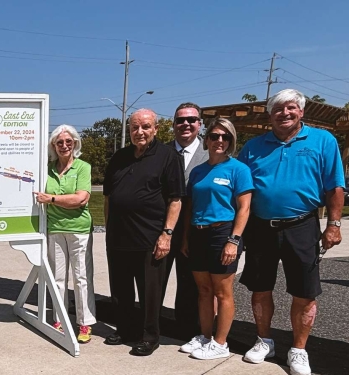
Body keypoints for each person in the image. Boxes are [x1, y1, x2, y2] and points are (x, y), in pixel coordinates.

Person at [237, 89, 344, 375]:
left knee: (305, 292)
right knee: (260, 288)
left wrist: (333, 225)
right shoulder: (253, 147)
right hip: (260, 227)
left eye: (291, 108)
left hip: (302, 226)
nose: (285, 113)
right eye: (278, 109)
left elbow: (335, 187)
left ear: (301, 111)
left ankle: (298, 349)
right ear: (270, 115)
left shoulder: (323, 141)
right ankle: (264, 340)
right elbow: (241, 190)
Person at [103, 109, 185, 356]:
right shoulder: (120, 157)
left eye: (145, 127)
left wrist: (166, 234)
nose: (140, 132)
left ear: (156, 129)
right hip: (119, 237)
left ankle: (149, 336)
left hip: (150, 238)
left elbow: (175, 199)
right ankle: (126, 329)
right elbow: (108, 196)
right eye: (134, 127)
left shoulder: (168, 156)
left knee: (150, 292)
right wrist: (108, 228)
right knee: (121, 290)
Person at [179, 118, 252, 359]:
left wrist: (234, 240)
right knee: (203, 290)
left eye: (225, 137)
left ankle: (220, 344)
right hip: (198, 233)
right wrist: (187, 238)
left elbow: (244, 208)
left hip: (223, 233)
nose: (219, 140)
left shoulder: (238, 169)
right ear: (206, 139)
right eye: (214, 136)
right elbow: (190, 206)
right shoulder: (199, 171)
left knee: (223, 292)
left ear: (231, 141)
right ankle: (206, 336)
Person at [33, 124, 96, 343]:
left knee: (81, 278)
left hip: (79, 230)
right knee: (58, 278)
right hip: (55, 229)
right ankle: (59, 318)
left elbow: (80, 199)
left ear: (75, 143)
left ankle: (85, 323)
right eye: (59, 142)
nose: (64, 146)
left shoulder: (82, 167)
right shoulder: (47, 169)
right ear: (53, 145)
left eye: (69, 142)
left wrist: (50, 199)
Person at [164, 102, 208, 339]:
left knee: (190, 284)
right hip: (163, 229)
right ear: (174, 125)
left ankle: (187, 330)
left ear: (199, 124)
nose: (186, 124)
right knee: (156, 278)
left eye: (191, 120)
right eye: (180, 120)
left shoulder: (212, 154)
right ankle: (150, 325)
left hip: (196, 230)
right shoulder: (160, 153)